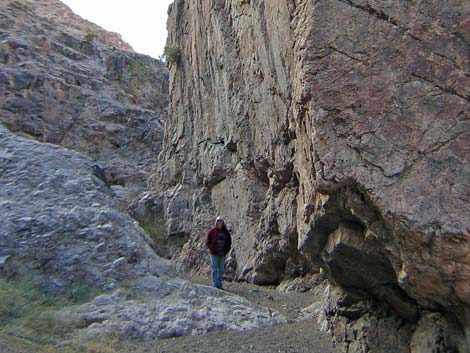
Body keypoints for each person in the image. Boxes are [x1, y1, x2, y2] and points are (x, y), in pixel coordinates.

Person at [205, 216, 232, 289]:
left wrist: (227, 250)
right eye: (218, 222)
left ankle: (219, 284)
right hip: (214, 253)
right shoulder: (212, 231)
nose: (220, 223)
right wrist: (211, 248)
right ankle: (215, 283)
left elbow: (229, 242)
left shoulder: (225, 232)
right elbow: (208, 241)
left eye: (221, 222)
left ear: (223, 223)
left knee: (221, 269)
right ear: (216, 223)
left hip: (222, 253)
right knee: (214, 269)